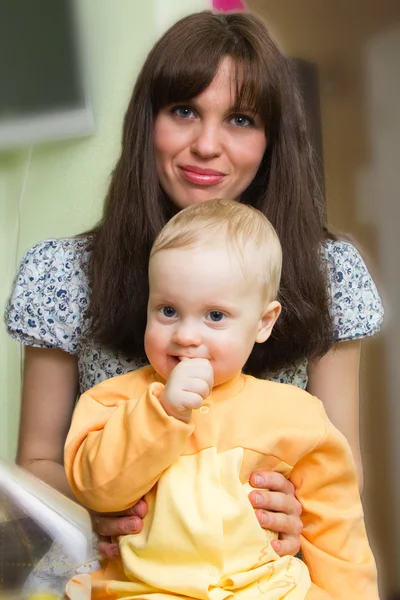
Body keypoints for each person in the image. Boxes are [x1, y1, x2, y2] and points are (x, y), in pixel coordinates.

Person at [4, 10, 383, 562]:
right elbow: (35, 468)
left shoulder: (330, 273)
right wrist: (99, 505)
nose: (207, 145)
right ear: (147, 121)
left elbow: (343, 463)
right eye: (184, 111)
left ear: (272, 140)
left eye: (241, 119)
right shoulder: (65, 272)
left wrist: (300, 507)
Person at [64, 199, 379, 600]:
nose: (186, 335)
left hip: (267, 589)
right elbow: (97, 489)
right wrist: (163, 411)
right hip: (145, 590)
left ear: (263, 322)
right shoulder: (110, 401)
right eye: (168, 310)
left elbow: (337, 526)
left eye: (215, 316)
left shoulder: (296, 414)